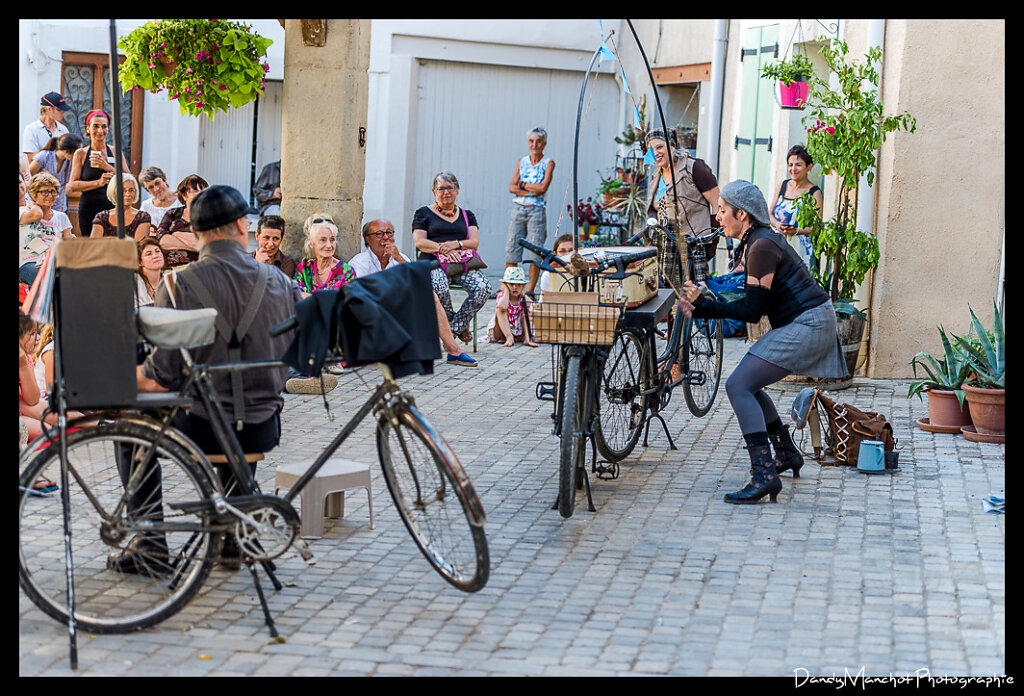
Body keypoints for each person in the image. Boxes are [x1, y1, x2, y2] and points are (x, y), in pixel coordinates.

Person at [126, 185, 302, 573]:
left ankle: (150, 544)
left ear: (194, 229)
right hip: (262, 429)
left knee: (129, 427)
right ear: (243, 225)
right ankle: (233, 534)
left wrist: (122, 377)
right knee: (236, 398)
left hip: (200, 430)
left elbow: (160, 379)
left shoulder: (176, 284)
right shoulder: (281, 284)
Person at [679, 180, 847, 505]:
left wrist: (704, 304)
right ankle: (786, 453)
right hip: (808, 320)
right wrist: (707, 296)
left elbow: (752, 312)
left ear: (741, 214)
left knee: (738, 385)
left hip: (809, 323)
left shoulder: (761, 247)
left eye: (722, 210)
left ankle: (764, 474)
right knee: (749, 383)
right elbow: (748, 296)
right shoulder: (757, 241)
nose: (717, 216)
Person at [351, 218, 477, 367]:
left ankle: (453, 350)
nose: (385, 237)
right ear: (368, 239)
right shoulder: (359, 262)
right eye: (379, 234)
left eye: (389, 233)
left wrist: (397, 258)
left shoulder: (400, 258)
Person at [412, 171, 492, 345]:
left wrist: (456, 244)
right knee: (438, 287)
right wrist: (442, 248)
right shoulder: (423, 213)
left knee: (483, 287)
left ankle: (454, 328)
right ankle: (460, 328)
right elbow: (419, 242)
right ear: (434, 192)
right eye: (441, 188)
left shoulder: (467, 215)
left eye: (450, 187)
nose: (446, 192)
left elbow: (474, 242)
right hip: (432, 263)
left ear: (457, 190)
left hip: (460, 264)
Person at [644, 128, 720, 292]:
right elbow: (653, 209)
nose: (655, 152)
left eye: (659, 147)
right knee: (665, 295)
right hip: (664, 248)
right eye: (651, 149)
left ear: (672, 146)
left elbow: (717, 204)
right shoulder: (656, 176)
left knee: (695, 295)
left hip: (692, 246)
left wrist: (711, 241)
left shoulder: (694, 168)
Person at [505, 127, 555, 296]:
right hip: (518, 208)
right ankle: (509, 288)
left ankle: (530, 290)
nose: (535, 145)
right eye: (532, 141)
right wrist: (531, 190)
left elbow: (542, 188)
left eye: (538, 141)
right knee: (512, 247)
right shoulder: (522, 161)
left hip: (537, 209)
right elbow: (512, 187)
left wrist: (523, 186)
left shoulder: (548, 163)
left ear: (544, 143)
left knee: (536, 249)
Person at [67, 110, 130, 242]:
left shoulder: (115, 151)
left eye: (104, 126)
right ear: (88, 129)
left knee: (112, 246)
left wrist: (107, 167)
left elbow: (129, 180)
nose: (100, 130)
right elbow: (73, 185)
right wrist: (98, 183)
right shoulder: (81, 154)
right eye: (95, 126)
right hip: (89, 208)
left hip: (113, 208)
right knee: (90, 247)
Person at [770, 144, 823, 268]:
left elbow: (818, 226)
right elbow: (769, 213)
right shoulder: (782, 186)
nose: (793, 169)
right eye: (790, 165)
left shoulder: (814, 193)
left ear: (809, 167)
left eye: (798, 165)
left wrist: (796, 231)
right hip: (778, 245)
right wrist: (778, 225)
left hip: (802, 251)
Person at [19, 172, 73, 286]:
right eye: (44, 192)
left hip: (54, 261)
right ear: (33, 194)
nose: (50, 195)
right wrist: (34, 205)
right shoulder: (22, 212)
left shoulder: (61, 217)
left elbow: (70, 245)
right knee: (47, 278)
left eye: (53, 191)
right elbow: (36, 215)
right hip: (29, 262)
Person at [292, 218, 357, 297]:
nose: (329, 245)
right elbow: (295, 295)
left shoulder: (346, 271)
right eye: (323, 240)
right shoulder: (304, 268)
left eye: (332, 240)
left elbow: (348, 301)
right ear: (311, 243)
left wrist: (310, 298)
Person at [156, 174, 208, 267]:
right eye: (195, 190)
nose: (200, 194)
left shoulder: (211, 216)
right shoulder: (173, 213)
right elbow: (162, 240)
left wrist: (177, 235)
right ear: (184, 195)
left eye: (203, 191)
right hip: (168, 267)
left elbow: (204, 245)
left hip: (196, 267)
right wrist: (191, 246)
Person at [29, 132, 83, 215]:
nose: (80, 155)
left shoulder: (70, 162)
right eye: (78, 152)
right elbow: (28, 177)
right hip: (40, 206)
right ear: (67, 151)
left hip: (60, 207)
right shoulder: (44, 157)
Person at [90, 173, 152, 240]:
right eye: (123, 190)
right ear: (113, 191)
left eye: (131, 190)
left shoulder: (143, 217)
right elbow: (94, 245)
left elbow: (138, 246)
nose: (128, 194)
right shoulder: (102, 217)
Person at [486, 266, 537, 347]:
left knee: (526, 311)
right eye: (511, 284)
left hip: (518, 332)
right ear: (505, 285)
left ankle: (527, 338)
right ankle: (509, 337)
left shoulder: (522, 298)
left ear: (523, 286)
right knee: (500, 311)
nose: (515, 287)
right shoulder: (502, 296)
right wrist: (505, 291)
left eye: (519, 285)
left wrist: (523, 294)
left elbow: (532, 306)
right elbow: (502, 307)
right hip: (501, 332)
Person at [23, 92, 71, 159]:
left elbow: (69, 156)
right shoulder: (31, 129)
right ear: (49, 109)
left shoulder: (63, 129)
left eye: (64, 110)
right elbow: (31, 159)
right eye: (59, 110)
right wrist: (51, 147)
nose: (63, 113)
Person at [135, 236, 166, 309]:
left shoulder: (173, 278)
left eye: (157, 251)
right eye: (149, 254)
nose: (155, 256)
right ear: (139, 262)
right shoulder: (134, 283)